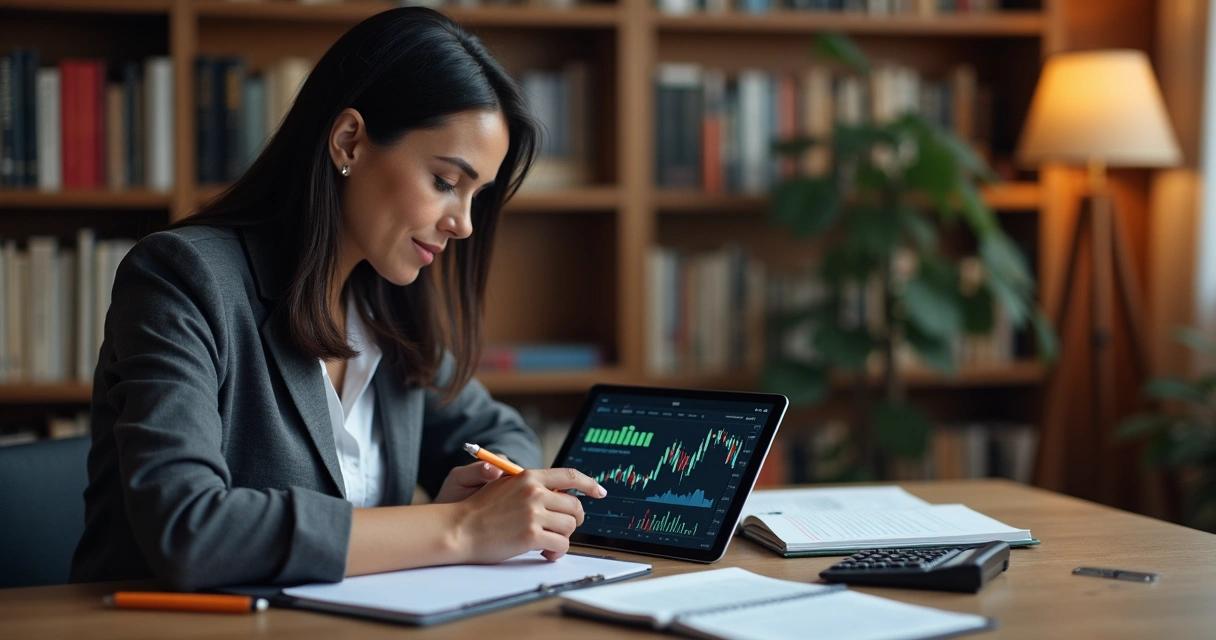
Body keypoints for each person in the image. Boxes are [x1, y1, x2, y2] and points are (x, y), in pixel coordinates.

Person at [70, 7, 606, 591]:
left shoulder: (388, 309)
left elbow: (500, 431)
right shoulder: (182, 278)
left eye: (478, 195)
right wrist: (459, 528)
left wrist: (492, 486)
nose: (465, 225)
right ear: (349, 141)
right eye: (447, 182)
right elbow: (190, 529)